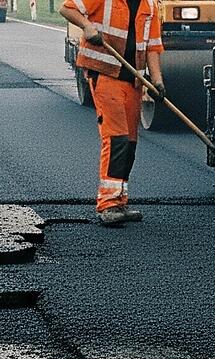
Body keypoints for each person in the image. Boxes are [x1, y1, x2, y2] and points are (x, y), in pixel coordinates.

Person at [59, 0, 165, 226]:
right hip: (105, 73)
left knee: (130, 142)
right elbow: (66, 8)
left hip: (132, 79)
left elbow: (153, 46)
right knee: (116, 137)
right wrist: (87, 26)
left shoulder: (150, 6)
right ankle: (107, 205)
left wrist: (157, 80)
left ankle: (119, 201)